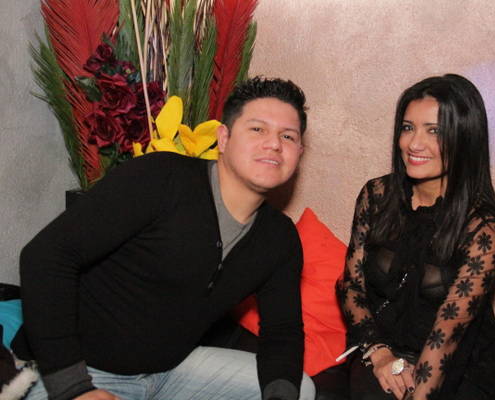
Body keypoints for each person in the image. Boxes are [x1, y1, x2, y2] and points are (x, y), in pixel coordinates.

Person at [18, 77, 315, 400]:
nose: (274, 144)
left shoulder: (279, 238)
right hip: (85, 369)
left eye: (288, 136)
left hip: (173, 370)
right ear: (224, 138)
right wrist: (73, 388)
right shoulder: (161, 178)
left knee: (299, 389)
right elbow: (46, 257)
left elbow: (281, 331)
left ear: (298, 153)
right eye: (257, 129)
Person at [335, 74, 495, 400]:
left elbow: (446, 333)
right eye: (408, 128)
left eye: (435, 131)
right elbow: (351, 286)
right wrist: (378, 352)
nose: (414, 144)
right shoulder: (377, 195)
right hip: (383, 350)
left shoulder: (483, 228)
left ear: (465, 138)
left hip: (457, 365)